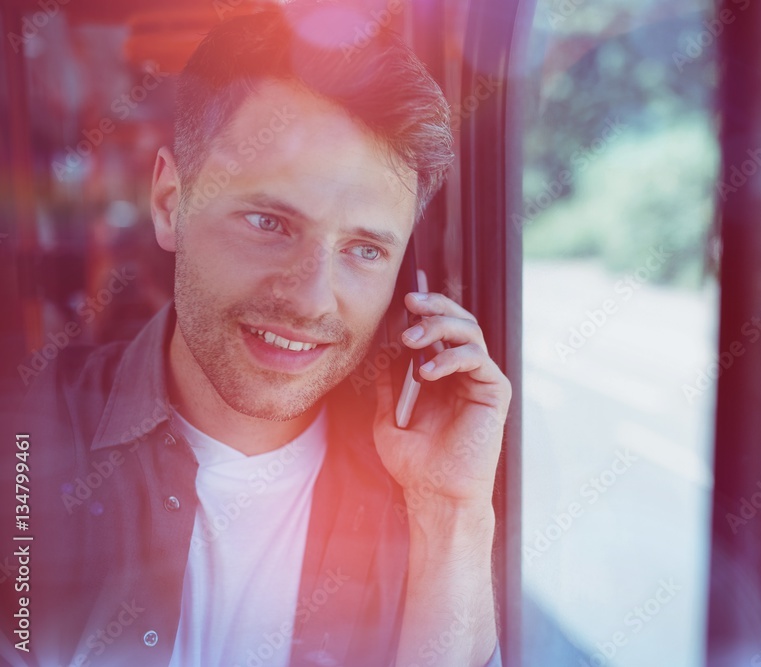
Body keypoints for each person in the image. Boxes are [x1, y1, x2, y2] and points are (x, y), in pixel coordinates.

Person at [1, 3, 510, 666]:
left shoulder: (419, 494)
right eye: (268, 222)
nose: (306, 296)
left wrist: (450, 511)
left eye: (363, 249)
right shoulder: (22, 441)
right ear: (169, 203)